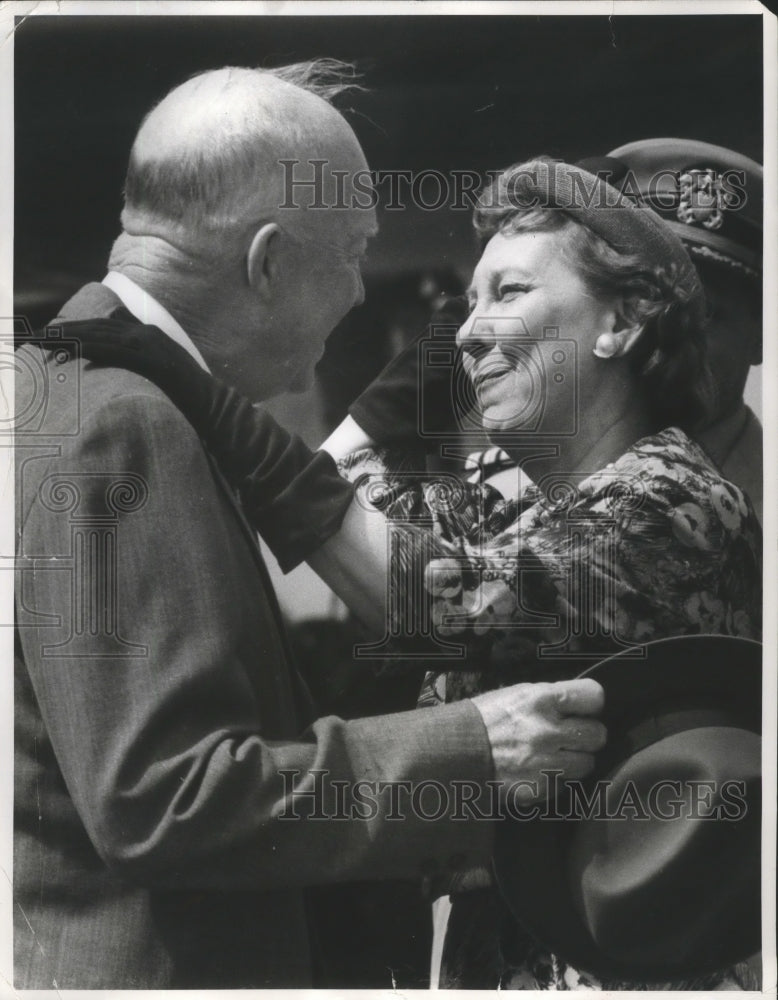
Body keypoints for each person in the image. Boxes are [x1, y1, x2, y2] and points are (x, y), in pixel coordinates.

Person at [75, 156, 763, 989]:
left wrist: (201, 392)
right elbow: (344, 489)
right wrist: (472, 338)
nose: (467, 330)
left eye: (509, 292)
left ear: (619, 325)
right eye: (465, 305)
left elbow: (445, 601)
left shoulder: (677, 498)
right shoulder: (519, 513)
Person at [13, 66, 607, 989]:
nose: (364, 292)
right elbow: (159, 798)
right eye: (350, 252)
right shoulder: (124, 423)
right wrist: (467, 750)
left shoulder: (65, 397)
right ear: (267, 263)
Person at [581, 139, 764, 523]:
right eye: (645, 306)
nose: (669, 335)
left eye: (708, 314)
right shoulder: (512, 484)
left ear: (761, 336)